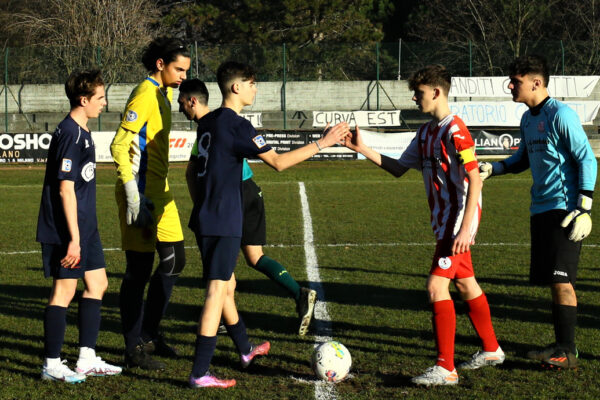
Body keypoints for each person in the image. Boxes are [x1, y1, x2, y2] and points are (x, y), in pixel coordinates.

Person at [185, 61, 349, 388]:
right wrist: (323, 143)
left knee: (227, 287)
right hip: (223, 220)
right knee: (217, 291)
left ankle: (245, 350)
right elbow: (278, 162)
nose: (255, 89)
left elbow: (191, 173)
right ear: (236, 87)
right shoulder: (237, 125)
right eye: (251, 83)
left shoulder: (208, 121)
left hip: (205, 217)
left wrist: (204, 204)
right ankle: (200, 373)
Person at [344, 65, 504, 386]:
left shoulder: (456, 131)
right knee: (465, 283)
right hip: (444, 223)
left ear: (436, 91)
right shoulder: (426, 133)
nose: (415, 99)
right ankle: (491, 349)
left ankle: (446, 369)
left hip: (457, 223)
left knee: (435, 287)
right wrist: (361, 148)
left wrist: (464, 227)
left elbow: (475, 179)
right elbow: (399, 168)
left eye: (418, 93)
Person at [479, 55, 597, 370]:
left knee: (562, 280)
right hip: (541, 209)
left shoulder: (561, 114)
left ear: (536, 82)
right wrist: (494, 168)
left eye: (515, 81)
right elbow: (523, 158)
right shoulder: (528, 119)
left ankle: (567, 351)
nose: (510, 85)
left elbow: (587, 159)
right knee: (552, 281)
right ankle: (561, 346)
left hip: (565, 210)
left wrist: (584, 207)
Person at [178, 79, 317, 337]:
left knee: (221, 270)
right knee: (253, 258)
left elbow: (190, 173)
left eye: (181, 102)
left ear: (192, 101)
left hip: (232, 196)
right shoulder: (217, 124)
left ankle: (219, 315)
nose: (180, 108)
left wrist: (202, 204)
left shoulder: (213, 126)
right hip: (248, 191)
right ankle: (299, 294)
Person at [36, 70, 122, 383]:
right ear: (83, 100)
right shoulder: (70, 133)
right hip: (66, 229)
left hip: (86, 226)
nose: (105, 103)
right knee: (64, 290)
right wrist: (73, 239)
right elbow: (65, 189)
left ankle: (86, 358)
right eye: (100, 98)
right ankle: (52, 363)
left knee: (98, 284)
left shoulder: (82, 131)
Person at [110, 37, 190, 370]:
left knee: (176, 260)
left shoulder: (164, 93)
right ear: (160, 65)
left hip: (163, 191)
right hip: (140, 194)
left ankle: (149, 333)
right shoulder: (144, 95)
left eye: (186, 69)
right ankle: (133, 349)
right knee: (139, 271)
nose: (184, 75)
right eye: (179, 69)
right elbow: (118, 145)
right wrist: (132, 193)